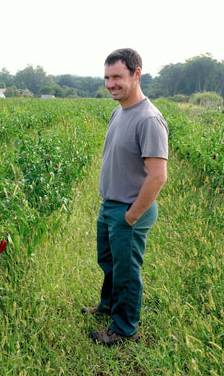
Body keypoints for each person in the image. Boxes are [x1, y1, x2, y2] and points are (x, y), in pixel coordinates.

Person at [84, 48, 169, 346]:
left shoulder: (149, 120)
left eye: (117, 76)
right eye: (107, 78)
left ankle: (123, 328)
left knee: (127, 272)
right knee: (108, 263)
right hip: (110, 205)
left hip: (129, 209)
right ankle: (107, 307)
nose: (110, 84)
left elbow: (157, 176)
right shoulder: (118, 111)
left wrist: (132, 215)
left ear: (136, 74)